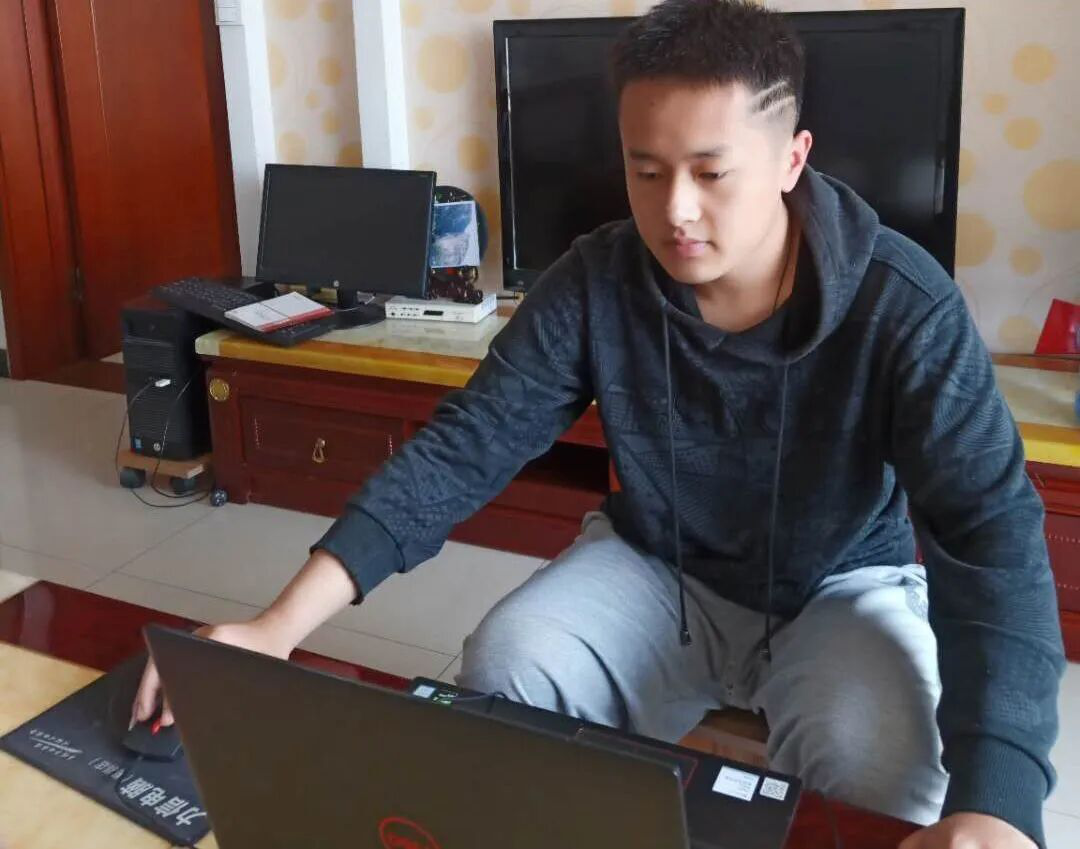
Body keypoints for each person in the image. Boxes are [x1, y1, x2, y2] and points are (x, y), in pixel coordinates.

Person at [132, 2, 1064, 846]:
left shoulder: (904, 305)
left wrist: (1002, 804)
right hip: (659, 564)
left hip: (840, 582)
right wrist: (277, 625)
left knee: (887, 770)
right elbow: (467, 444)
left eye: (711, 172)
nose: (675, 210)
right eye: (645, 171)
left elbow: (991, 534)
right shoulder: (596, 276)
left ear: (792, 158)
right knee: (507, 669)